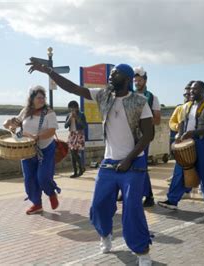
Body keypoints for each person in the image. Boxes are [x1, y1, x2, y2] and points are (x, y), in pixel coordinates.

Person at [27, 59, 154, 265]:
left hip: (133, 165)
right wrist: (49, 71)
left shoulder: (140, 102)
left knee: (132, 209)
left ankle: (143, 251)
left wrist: (129, 160)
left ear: (127, 79)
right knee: (98, 206)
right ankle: (105, 235)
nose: (109, 77)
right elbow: (72, 88)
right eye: (110, 74)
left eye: (115, 74)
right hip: (109, 164)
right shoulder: (103, 95)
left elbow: (149, 134)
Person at [158, 81, 204, 211]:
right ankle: (172, 200)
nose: (191, 92)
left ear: (203, 91)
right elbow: (181, 124)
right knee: (179, 171)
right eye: (190, 89)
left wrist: (194, 133)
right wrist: (179, 136)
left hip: (201, 142)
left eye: (195, 89)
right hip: (186, 142)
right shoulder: (186, 106)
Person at [3, 86, 60, 215]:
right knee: (29, 178)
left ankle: (51, 193)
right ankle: (37, 204)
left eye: (43, 97)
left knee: (43, 177)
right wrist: (8, 123)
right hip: (28, 150)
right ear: (32, 99)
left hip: (45, 149)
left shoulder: (49, 112)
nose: (41, 100)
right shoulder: (25, 111)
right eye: (38, 97)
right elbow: (15, 124)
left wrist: (38, 137)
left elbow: (52, 131)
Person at [134, 67, 161, 207]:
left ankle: (149, 195)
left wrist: (143, 119)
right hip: (130, 135)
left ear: (145, 80)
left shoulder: (152, 98)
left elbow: (157, 119)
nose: (137, 83)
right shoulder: (129, 95)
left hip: (144, 136)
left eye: (139, 80)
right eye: (135, 80)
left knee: (141, 165)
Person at [64, 100, 87, 178]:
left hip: (79, 134)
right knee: (72, 153)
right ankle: (76, 171)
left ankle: (81, 168)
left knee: (74, 153)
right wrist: (70, 118)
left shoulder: (81, 114)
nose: (72, 110)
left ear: (77, 108)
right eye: (70, 108)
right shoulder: (68, 115)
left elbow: (84, 126)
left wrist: (77, 118)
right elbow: (65, 126)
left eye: (74, 108)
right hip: (72, 134)